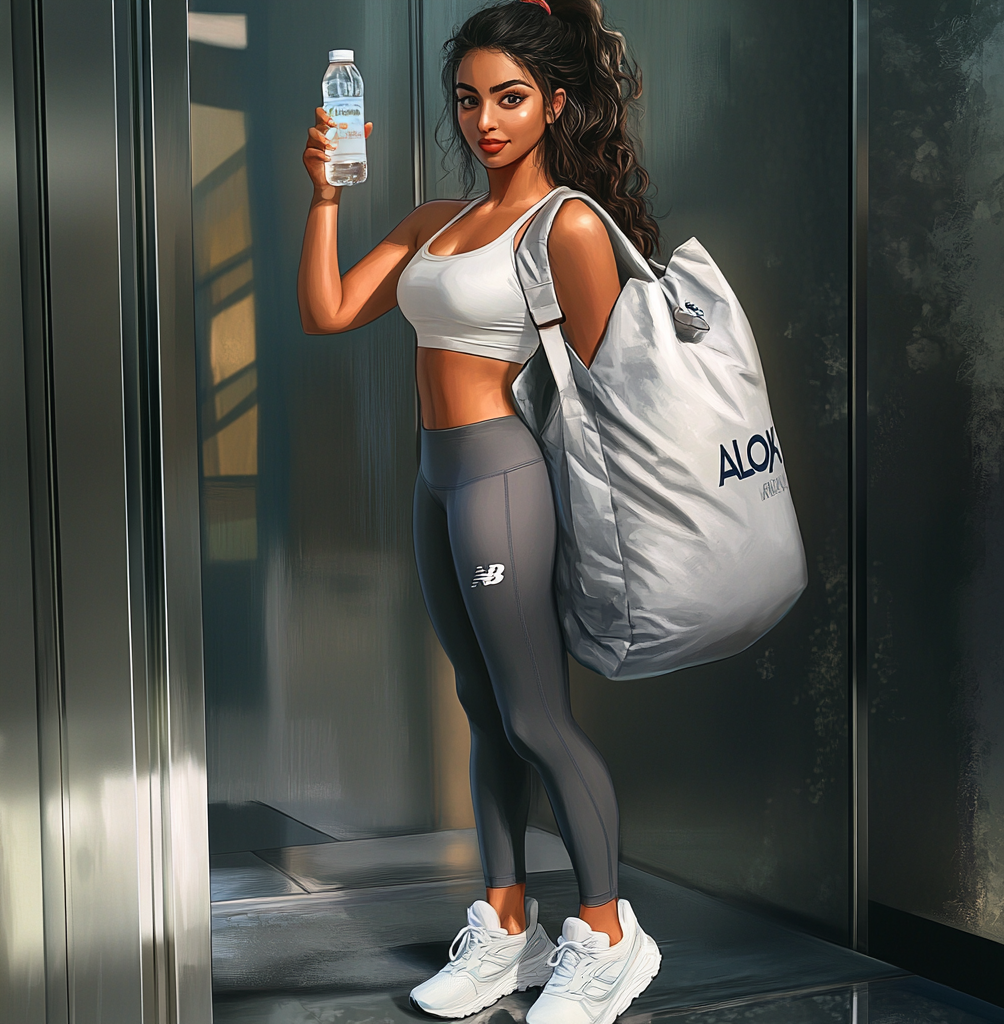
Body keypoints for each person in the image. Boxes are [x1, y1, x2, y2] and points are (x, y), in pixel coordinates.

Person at [298, 1, 661, 1020]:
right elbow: (326, 311)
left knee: (535, 714)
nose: (485, 121)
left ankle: (604, 932)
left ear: (552, 104)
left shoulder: (569, 224)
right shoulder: (432, 222)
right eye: (468, 99)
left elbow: (611, 398)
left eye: (509, 98)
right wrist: (324, 195)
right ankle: (507, 927)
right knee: (480, 706)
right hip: (435, 477)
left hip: (504, 479)